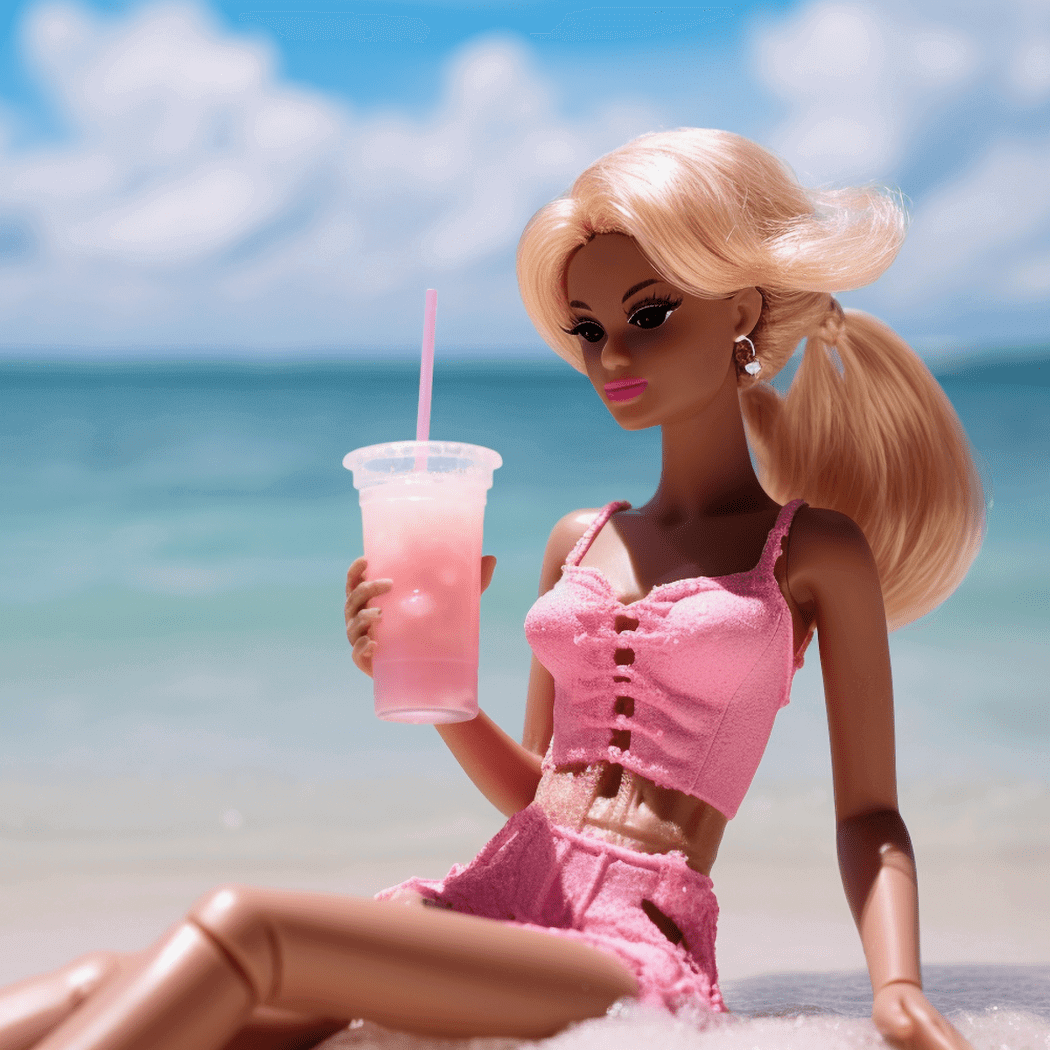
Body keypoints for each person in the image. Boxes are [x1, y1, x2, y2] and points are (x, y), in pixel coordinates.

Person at [0, 128, 984, 1050]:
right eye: (590, 328)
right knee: (102, 977)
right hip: (492, 894)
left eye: (649, 315)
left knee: (243, 928)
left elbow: (869, 815)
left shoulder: (810, 551)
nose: (613, 355)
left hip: (631, 946)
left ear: (743, 307)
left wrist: (896, 986)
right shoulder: (581, 538)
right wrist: (436, 683)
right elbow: (539, 788)